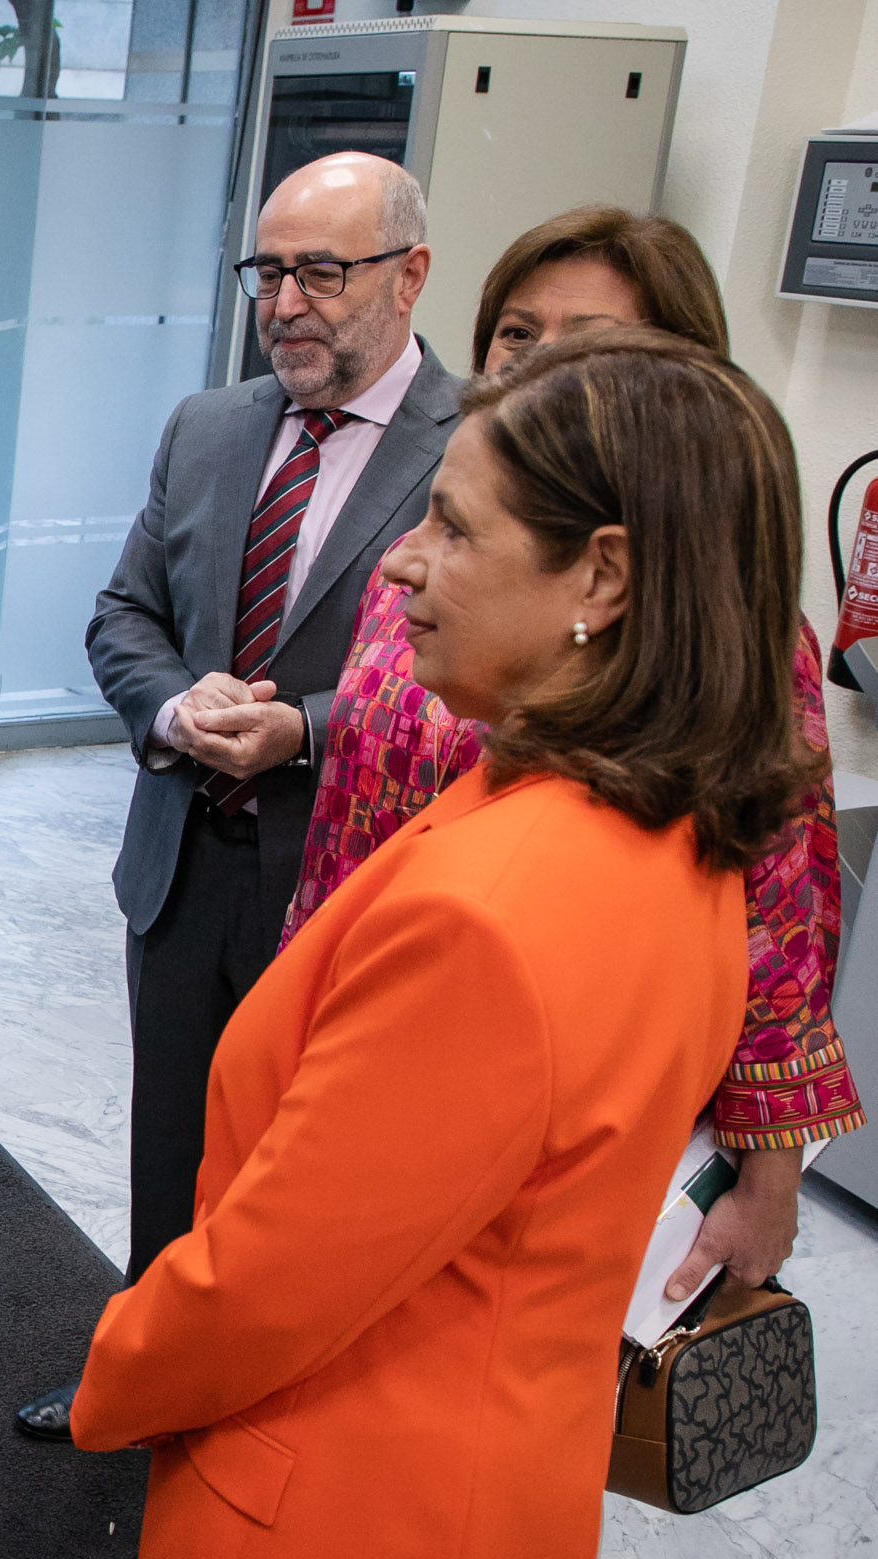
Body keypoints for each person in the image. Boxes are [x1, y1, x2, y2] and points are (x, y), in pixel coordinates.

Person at [75, 326, 817, 1559]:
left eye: (452, 527)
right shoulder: (657, 834)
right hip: (470, 1509)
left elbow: (272, 1284)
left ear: (600, 580)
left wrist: (117, 1366)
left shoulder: (500, 911)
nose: (398, 564)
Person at [285, 207, 859, 1317]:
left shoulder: (725, 630)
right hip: (362, 1016)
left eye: (586, 339)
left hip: (520, 1087)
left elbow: (780, 911)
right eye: (514, 334)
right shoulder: (427, 559)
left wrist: (767, 1174)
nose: (536, 363)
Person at [19, 151, 461, 1442]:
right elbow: (123, 613)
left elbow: (483, 696)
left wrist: (306, 733)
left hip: (344, 887)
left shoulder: (478, 448)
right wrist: (174, 711)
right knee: (169, 1148)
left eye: (319, 272)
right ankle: (144, 1381)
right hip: (180, 868)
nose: (284, 304)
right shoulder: (209, 428)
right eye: (268, 273)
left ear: (408, 274)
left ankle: (258, 1419)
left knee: (295, 1181)